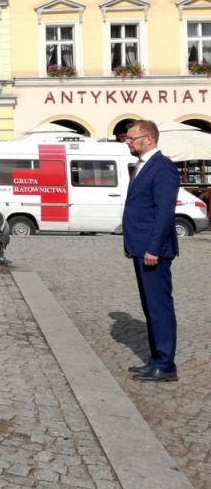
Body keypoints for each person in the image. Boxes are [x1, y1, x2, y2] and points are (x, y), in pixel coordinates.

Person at [123, 119, 180, 382]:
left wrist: (154, 248)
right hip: (140, 247)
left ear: (149, 139)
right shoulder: (143, 165)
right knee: (150, 307)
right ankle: (156, 359)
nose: (128, 141)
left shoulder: (163, 167)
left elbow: (164, 212)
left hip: (153, 250)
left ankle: (166, 364)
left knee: (159, 307)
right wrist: (130, 244)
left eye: (132, 138)